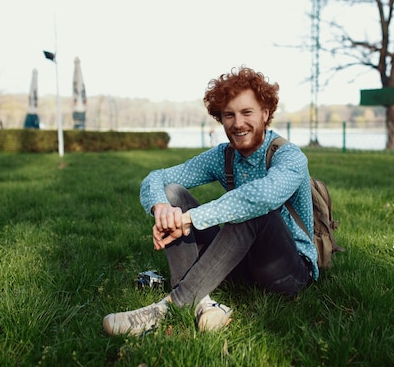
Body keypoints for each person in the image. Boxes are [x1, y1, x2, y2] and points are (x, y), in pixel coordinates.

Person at [103, 66, 319, 336]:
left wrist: (189, 218)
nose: (238, 123)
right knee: (172, 194)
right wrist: (162, 209)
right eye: (229, 115)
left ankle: (172, 306)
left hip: (288, 270)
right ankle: (204, 303)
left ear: (265, 113)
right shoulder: (223, 156)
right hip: (242, 263)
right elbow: (156, 179)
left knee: (253, 209)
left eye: (247, 112)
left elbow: (259, 197)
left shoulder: (290, 157)